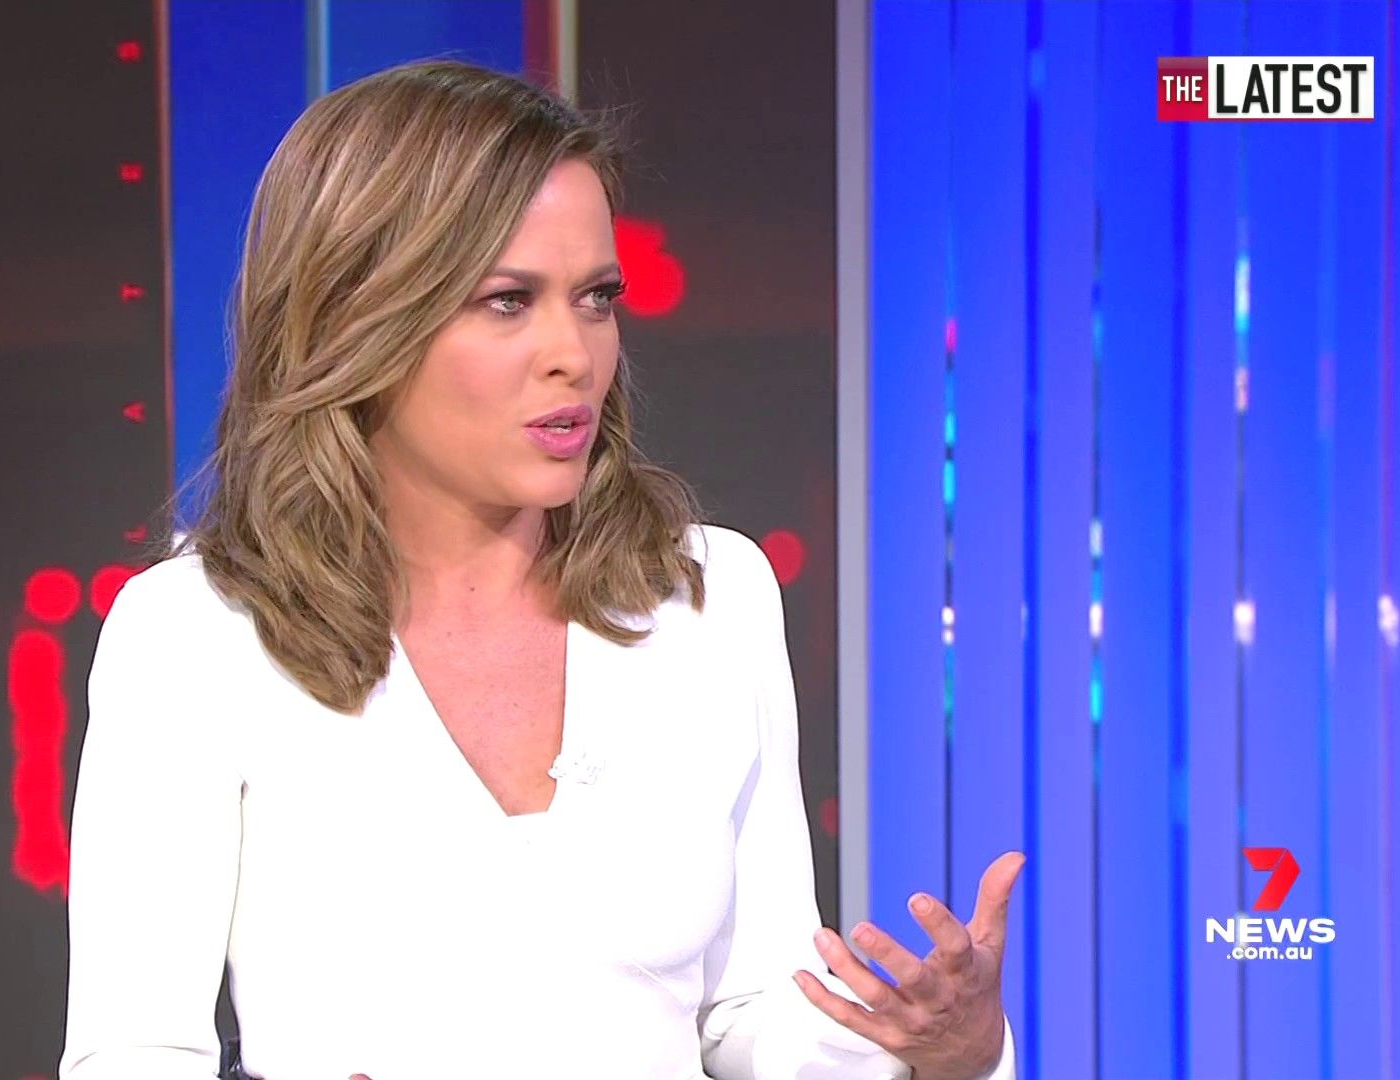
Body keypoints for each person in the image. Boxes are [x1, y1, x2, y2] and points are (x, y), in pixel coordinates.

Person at [59, 59, 1022, 1080]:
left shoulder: (710, 596)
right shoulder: (196, 633)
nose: (576, 354)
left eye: (597, 298)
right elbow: (134, 1054)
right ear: (357, 317)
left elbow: (746, 1015)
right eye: (508, 301)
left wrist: (944, 1055)